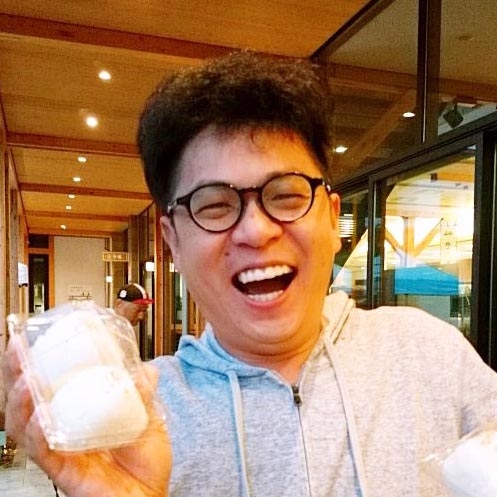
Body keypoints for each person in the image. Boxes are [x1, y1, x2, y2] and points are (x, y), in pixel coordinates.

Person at [4, 51, 497, 497]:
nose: (257, 230)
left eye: (286, 195)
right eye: (215, 205)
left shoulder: (429, 354)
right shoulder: (138, 416)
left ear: (332, 218)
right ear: (173, 241)